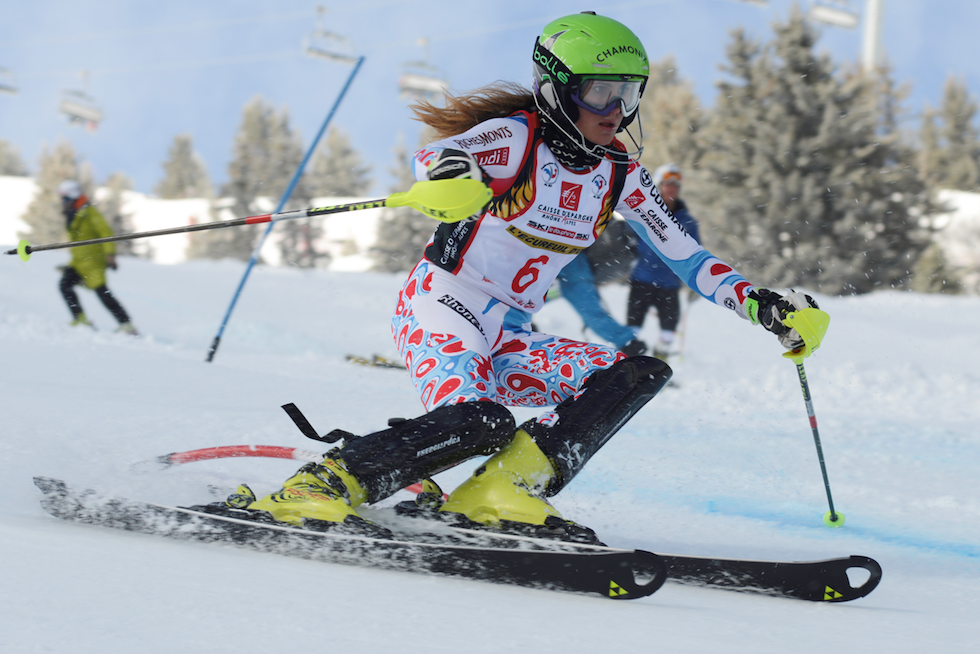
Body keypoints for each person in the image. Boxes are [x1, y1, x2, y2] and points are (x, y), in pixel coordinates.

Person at [232, 12, 820, 540]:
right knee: (478, 420)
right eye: (600, 93)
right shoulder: (518, 137)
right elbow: (438, 157)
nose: (616, 111)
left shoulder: (620, 173)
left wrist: (762, 306)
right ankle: (326, 482)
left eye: (628, 94)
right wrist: (453, 176)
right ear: (556, 88)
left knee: (636, 371)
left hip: (511, 333)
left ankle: (503, 490)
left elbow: (688, 258)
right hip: (442, 306)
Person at [626, 163, 699, 360]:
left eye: (675, 185)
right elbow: (626, 242)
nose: (671, 189)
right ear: (659, 186)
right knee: (631, 331)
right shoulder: (644, 212)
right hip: (641, 279)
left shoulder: (687, 221)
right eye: (667, 184)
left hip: (669, 284)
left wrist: (697, 282)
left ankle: (658, 369)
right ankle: (627, 369)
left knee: (668, 332)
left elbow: (695, 253)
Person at [56, 180, 138, 335]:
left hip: (94, 262)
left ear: (72, 197)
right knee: (64, 285)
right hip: (78, 263)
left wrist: (110, 254)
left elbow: (105, 232)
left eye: (65, 198)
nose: (62, 202)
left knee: (102, 292)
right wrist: (70, 266)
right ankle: (80, 319)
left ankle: (126, 325)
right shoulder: (72, 215)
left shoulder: (89, 213)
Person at [557, 221, 646, 356]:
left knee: (590, 309)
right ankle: (628, 344)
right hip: (568, 262)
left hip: (571, 263)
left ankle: (629, 345)